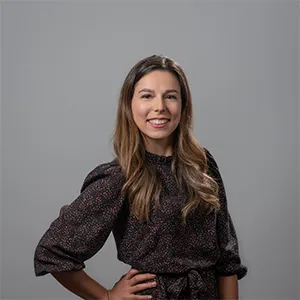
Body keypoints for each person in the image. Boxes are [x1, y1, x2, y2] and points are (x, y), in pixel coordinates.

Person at [34, 54, 247, 299]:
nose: (160, 107)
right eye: (147, 96)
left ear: (183, 105)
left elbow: (227, 256)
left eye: (170, 96)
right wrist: (107, 296)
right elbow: (52, 251)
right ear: (129, 105)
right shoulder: (120, 178)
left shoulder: (202, 163)